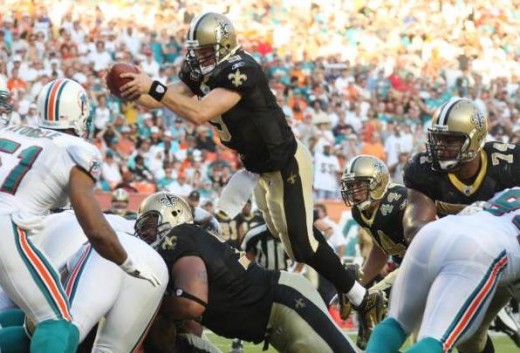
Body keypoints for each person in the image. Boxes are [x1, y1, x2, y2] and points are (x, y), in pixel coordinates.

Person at [120, 11, 383, 329]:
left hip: (286, 163)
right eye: (196, 51)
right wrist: (135, 91)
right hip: (258, 169)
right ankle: (345, 278)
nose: (199, 58)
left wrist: (156, 89)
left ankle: (361, 296)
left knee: (301, 246)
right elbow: (168, 98)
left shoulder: (242, 70)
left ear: (224, 46)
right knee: (291, 239)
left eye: (206, 51)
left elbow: (200, 112)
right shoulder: (202, 68)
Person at [0, 78, 159, 353]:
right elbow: (95, 228)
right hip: (7, 228)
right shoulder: (77, 150)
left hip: (17, 232)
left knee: (32, 319)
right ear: (82, 113)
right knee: (57, 322)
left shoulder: (11, 131)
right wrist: (129, 263)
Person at [135, 191, 359, 353]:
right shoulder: (181, 249)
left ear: (173, 215)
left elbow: (192, 302)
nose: (145, 232)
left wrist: (154, 305)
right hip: (274, 314)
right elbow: (193, 328)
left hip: (284, 304)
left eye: (150, 223)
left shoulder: (180, 237)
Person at [402, 97, 520, 353]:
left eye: (451, 140)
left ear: (475, 139)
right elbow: (414, 228)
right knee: (469, 338)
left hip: (515, 255)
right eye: (438, 139)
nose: (441, 147)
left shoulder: (510, 164)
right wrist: (465, 227)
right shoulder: (423, 170)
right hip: (472, 263)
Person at [366, 188, 520, 353]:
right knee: (437, 340)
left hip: (433, 232)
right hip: (477, 251)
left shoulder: (511, 190)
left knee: (396, 322)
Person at [0, 211, 168, 353]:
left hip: (104, 249)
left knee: (59, 325)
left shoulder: (47, 225)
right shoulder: (161, 245)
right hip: (155, 271)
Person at [338, 155, 408, 348]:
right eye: (350, 185)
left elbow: (424, 247)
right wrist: (356, 285)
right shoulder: (360, 212)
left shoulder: (399, 202)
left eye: (359, 184)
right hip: (410, 268)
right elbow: (380, 249)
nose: (353, 191)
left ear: (377, 182)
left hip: (428, 265)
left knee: (370, 305)